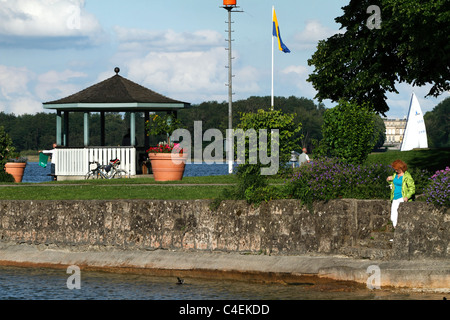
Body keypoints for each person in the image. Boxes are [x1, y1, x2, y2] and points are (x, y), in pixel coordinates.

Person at [386, 159, 415, 229]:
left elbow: (412, 188)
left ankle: (400, 230)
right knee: (393, 216)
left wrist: (407, 196)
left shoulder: (407, 176)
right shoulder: (395, 175)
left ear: (401, 168)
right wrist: (389, 181)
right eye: (395, 169)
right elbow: (393, 185)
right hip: (395, 197)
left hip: (402, 197)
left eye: (397, 169)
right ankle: (396, 229)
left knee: (402, 215)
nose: (396, 170)